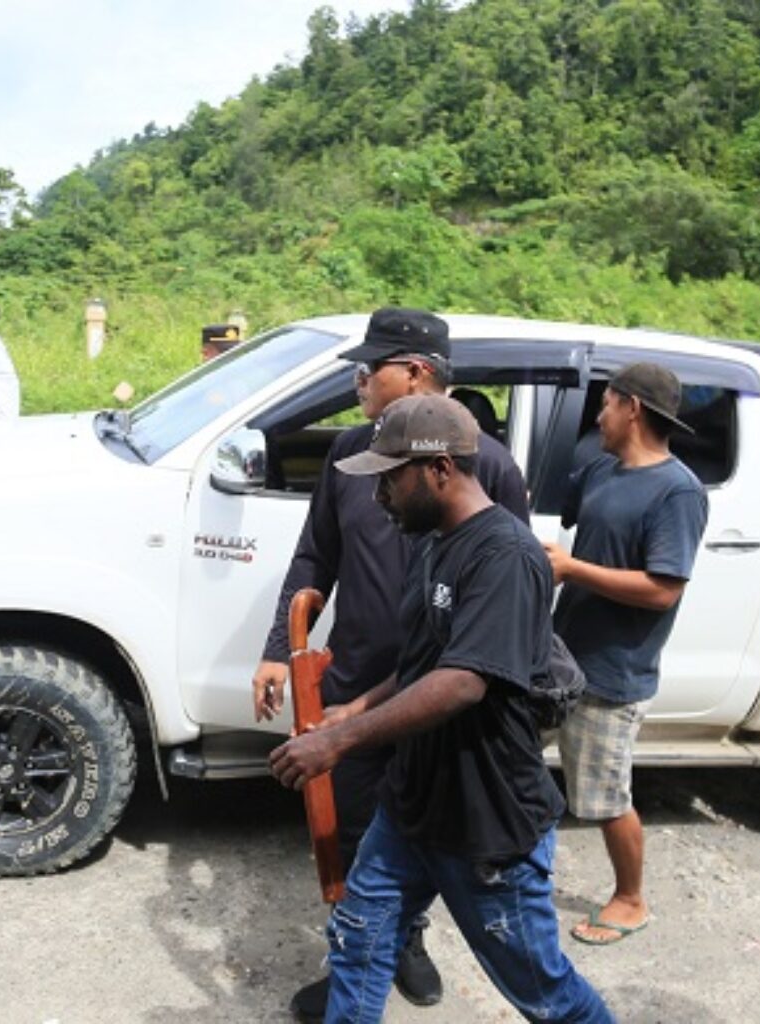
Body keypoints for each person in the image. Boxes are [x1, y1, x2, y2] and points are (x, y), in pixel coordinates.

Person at [270, 394, 613, 1024]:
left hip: (485, 821)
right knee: (359, 938)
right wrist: (358, 708)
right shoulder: (433, 541)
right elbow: (427, 658)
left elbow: (463, 681)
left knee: (542, 990)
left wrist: (339, 744)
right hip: (411, 802)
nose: (379, 499)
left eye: (389, 480)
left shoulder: (504, 556)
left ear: (439, 470)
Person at [252, 307, 528, 1022]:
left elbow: (506, 592)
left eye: (371, 369)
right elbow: (316, 554)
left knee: (425, 835)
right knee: (351, 826)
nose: (359, 380)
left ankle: (404, 939)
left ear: (417, 372)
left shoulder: (485, 465)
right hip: (357, 680)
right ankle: (360, 955)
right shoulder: (350, 452)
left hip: (436, 692)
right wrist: (280, 651)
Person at [544, 363, 708, 946]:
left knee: (604, 796)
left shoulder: (678, 491)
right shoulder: (601, 470)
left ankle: (632, 898)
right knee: (508, 752)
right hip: (563, 653)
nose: (599, 414)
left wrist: (571, 567)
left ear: (632, 408)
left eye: (607, 403)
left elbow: (664, 589)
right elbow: (582, 539)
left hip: (613, 671)